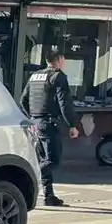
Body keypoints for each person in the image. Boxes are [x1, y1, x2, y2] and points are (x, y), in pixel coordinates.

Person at [24, 50, 81, 207]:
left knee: (44, 159)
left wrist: (33, 117)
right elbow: (65, 103)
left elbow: (24, 100)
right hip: (49, 124)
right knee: (52, 160)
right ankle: (28, 174)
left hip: (35, 123)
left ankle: (49, 196)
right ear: (60, 59)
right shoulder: (59, 76)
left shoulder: (35, 76)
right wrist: (73, 125)